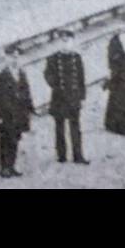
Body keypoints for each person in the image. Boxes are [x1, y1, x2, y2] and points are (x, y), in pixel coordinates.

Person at [43, 29, 89, 164]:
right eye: (62, 41)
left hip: (74, 97)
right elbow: (47, 74)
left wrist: (82, 97)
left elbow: (81, 78)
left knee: (75, 127)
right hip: (59, 98)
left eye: (68, 41)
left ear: (72, 42)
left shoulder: (77, 58)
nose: (65, 44)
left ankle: (78, 155)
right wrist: (55, 85)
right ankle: (61, 155)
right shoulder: (52, 58)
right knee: (59, 127)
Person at [0, 45, 33, 177]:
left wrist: (29, 108)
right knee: (5, 140)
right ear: (5, 58)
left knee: (15, 140)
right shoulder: (0, 76)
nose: (14, 59)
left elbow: (27, 92)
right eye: (11, 57)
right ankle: (4, 167)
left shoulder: (21, 74)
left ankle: (12, 165)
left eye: (16, 57)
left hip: (19, 114)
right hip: (5, 114)